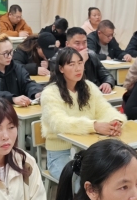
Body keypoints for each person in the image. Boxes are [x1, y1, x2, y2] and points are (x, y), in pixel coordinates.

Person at [41, 48, 126, 178]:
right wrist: (94, 126)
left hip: (87, 150)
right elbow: (59, 123)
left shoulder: (89, 87)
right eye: (71, 64)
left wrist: (115, 121)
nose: (78, 68)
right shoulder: (50, 92)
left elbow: (105, 109)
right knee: (81, 180)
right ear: (61, 68)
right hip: (60, 153)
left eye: (80, 63)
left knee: (110, 175)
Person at [0, 34, 42, 107]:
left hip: (16, 111)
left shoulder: (17, 68)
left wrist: (36, 93)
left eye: (11, 52)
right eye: (5, 53)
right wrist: (12, 99)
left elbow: (27, 83)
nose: (10, 56)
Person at [52, 27, 115, 92]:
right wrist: (81, 61)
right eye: (77, 43)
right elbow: (64, 84)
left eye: (84, 42)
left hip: (94, 92)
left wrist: (107, 83)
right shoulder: (57, 59)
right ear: (67, 44)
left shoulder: (91, 55)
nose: (82, 47)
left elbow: (107, 75)